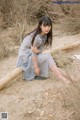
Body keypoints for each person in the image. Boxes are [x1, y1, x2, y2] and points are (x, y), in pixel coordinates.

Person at [17, 16, 70, 83]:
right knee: (47, 56)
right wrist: (36, 67)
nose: (47, 28)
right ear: (40, 26)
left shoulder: (44, 35)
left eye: (49, 26)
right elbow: (34, 52)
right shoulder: (37, 37)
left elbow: (38, 51)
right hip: (25, 58)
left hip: (31, 55)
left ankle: (66, 76)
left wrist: (38, 51)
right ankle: (60, 77)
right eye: (44, 26)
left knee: (48, 58)